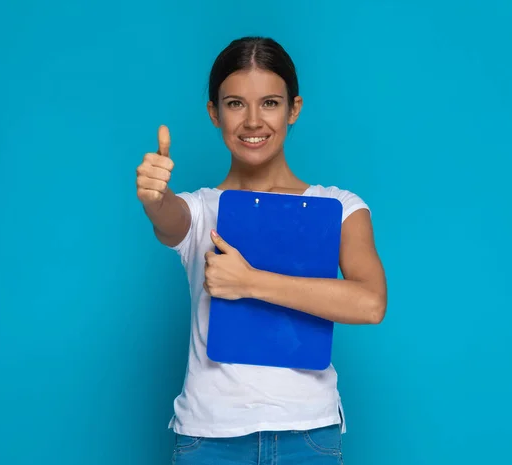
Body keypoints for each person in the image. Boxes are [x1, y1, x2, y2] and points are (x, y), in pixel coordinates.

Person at [136, 36, 387, 465]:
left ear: (294, 109)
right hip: (208, 440)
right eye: (235, 104)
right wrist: (154, 197)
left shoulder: (340, 208)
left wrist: (249, 282)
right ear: (214, 112)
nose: (253, 121)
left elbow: (370, 303)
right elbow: (169, 217)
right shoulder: (199, 210)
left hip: (307, 437)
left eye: (269, 103)